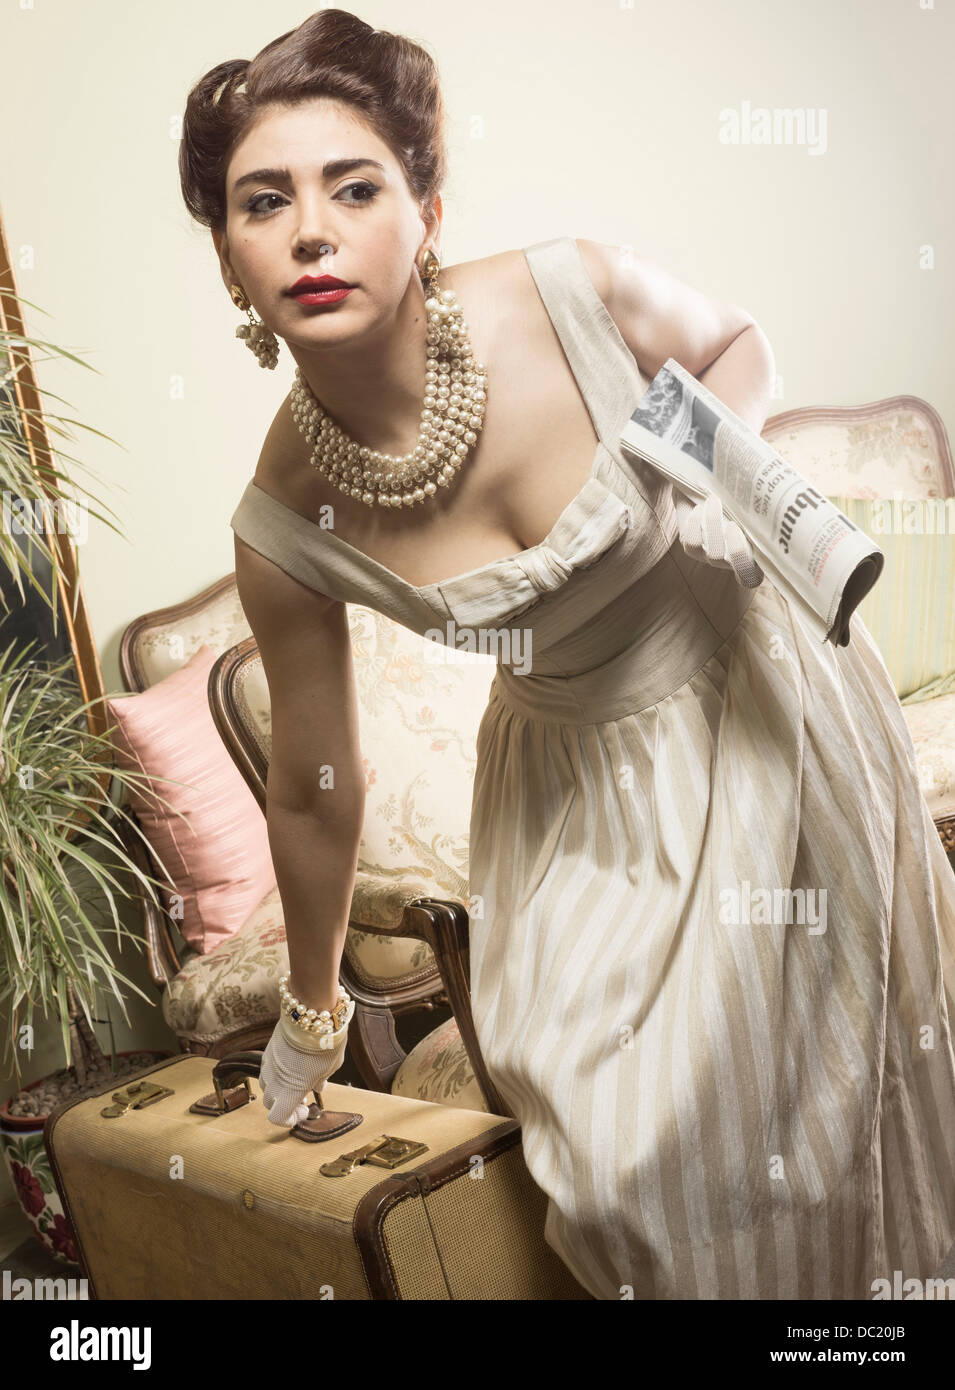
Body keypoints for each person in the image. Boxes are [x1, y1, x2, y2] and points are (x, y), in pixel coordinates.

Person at [178, 9, 955, 1300]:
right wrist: (309, 1024)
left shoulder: (569, 291)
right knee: (620, 1162)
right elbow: (317, 791)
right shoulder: (282, 520)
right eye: (264, 201)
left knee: (832, 1097)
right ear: (229, 257)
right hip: (570, 788)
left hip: (756, 691)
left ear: (426, 206)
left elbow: (732, 344)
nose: (311, 229)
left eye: (354, 186)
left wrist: (713, 448)